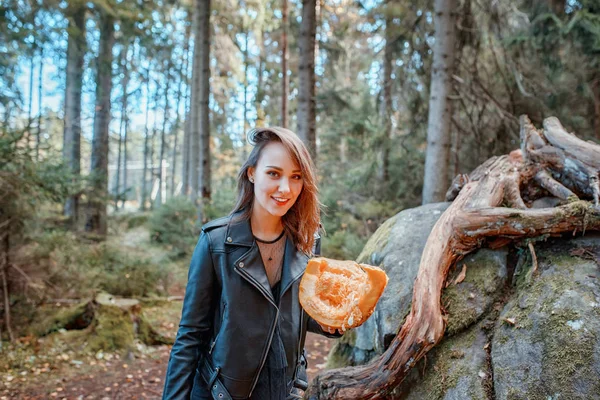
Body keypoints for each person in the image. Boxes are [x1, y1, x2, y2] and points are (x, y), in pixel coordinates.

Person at [162, 127, 345, 400]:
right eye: (273, 173)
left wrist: (330, 322)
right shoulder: (216, 242)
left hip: (286, 389)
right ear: (251, 173)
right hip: (224, 392)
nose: (285, 188)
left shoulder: (307, 239)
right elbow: (190, 334)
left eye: (296, 177)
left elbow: (295, 310)